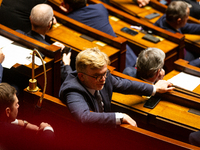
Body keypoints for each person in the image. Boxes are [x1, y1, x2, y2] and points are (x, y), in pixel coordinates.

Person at [59, 47, 174, 127]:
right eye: (97, 76)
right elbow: (84, 117)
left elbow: (125, 85)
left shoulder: (104, 76)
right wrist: (120, 116)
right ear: (82, 76)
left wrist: (154, 89)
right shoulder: (73, 90)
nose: (103, 79)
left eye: (104, 73)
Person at [60, 0, 137, 68]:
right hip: (127, 56)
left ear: (66, 5)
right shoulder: (100, 8)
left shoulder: (69, 19)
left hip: (104, 60)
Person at [0, 82, 55, 150]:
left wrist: (25, 124)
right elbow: (45, 145)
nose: (18, 106)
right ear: (7, 111)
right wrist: (48, 129)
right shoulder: (15, 133)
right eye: (16, 104)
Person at [154, 1, 200, 67]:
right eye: (186, 16)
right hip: (184, 60)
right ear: (179, 20)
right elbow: (183, 64)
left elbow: (189, 27)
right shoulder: (173, 39)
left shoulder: (165, 19)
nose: (188, 18)